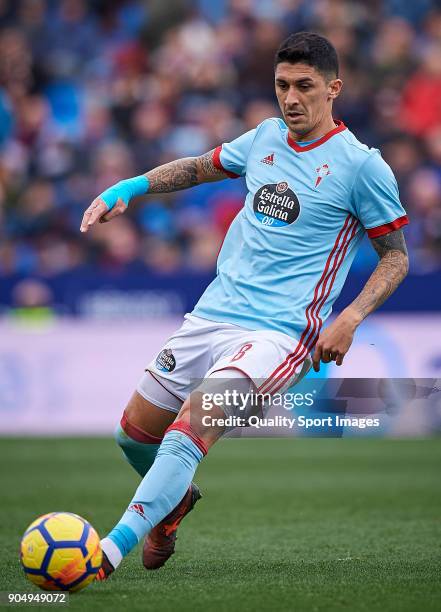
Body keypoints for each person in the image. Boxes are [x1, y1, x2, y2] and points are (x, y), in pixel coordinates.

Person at [80, 32, 409, 578]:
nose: (292, 98)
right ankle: (174, 506)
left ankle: (105, 552)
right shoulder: (264, 138)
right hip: (212, 313)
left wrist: (349, 317)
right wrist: (129, 187)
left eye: (305, 86)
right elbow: (198, 167)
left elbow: (395, 257)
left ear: (334, 89)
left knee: (193, 424)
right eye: (282, 85)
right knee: (133, 434)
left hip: (279, 335)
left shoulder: (362, 166)